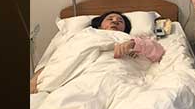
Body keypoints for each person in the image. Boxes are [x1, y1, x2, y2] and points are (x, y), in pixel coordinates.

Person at [29, 11, 165, 94]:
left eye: (120, 21)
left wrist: (132, 44)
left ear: (125, 28)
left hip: (118, 75)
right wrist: (35, 79)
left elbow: (158, 52)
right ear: (99, 24)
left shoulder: (131, 38)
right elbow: (62, 58)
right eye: (110, 19)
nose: (115, 21)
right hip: (81, 78)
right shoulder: (85, 35)